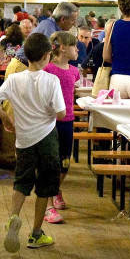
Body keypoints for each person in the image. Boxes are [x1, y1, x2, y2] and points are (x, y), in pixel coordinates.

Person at [0, 33, 65, 252]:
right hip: (47, 138)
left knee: (22, 182)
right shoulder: (51, 80)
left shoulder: (14, 79)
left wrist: (5, 117)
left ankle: (14, 217)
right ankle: (36, 234)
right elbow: (60, 114)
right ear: (47, 55)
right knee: (45, 185)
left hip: (24, 140)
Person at [43, 31, 80, 224]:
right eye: (75, 46)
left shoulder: (74, 71)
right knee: (52, 162)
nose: (78, 49)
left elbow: (74, 90)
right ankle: (48, 205)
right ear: (63, 48)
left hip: (68, 120)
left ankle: (56, 189)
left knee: (65, 162)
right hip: (52, 121)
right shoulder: (48, 69)